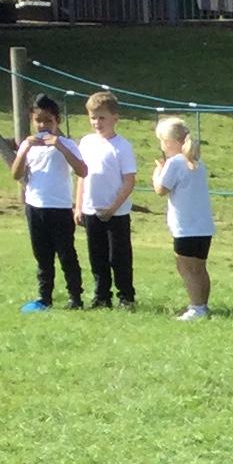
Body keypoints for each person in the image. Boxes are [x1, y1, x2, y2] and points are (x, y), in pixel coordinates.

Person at [10, 95, 86, 312]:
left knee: (66, 254)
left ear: (57, 121)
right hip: (35, 207)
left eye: (48, 121)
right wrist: (24, 149)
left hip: (60, 208)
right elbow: (16, 174)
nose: (43, 125)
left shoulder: (67, 144)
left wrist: (60, 146)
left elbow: (82, 171)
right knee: (42, 256)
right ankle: (45, 298)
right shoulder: (29, 144)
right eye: (38, 120)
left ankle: (75, 298)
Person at [75, 91, 138, 309]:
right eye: (93, 118)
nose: (97, 123)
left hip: (116, 213)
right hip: (91, 210)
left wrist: (112, 208)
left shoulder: (122, 146)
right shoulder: (87, 142)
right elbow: (82, 176)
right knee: (97, 256)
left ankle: (126, 297)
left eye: (102, 118)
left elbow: (129, 181)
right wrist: (78, 206)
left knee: (119, 257)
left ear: (115, 118)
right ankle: (101, 296)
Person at [154, 115, 216, 319]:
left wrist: (157, 173)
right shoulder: (198, 163)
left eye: (162, 141)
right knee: (200, 268)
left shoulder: (174, 163)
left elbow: (161, 189)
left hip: (185, 227)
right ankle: (202, 305)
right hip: (203, 227)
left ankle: (196, 307)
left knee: (186, 268)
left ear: (170, 142)